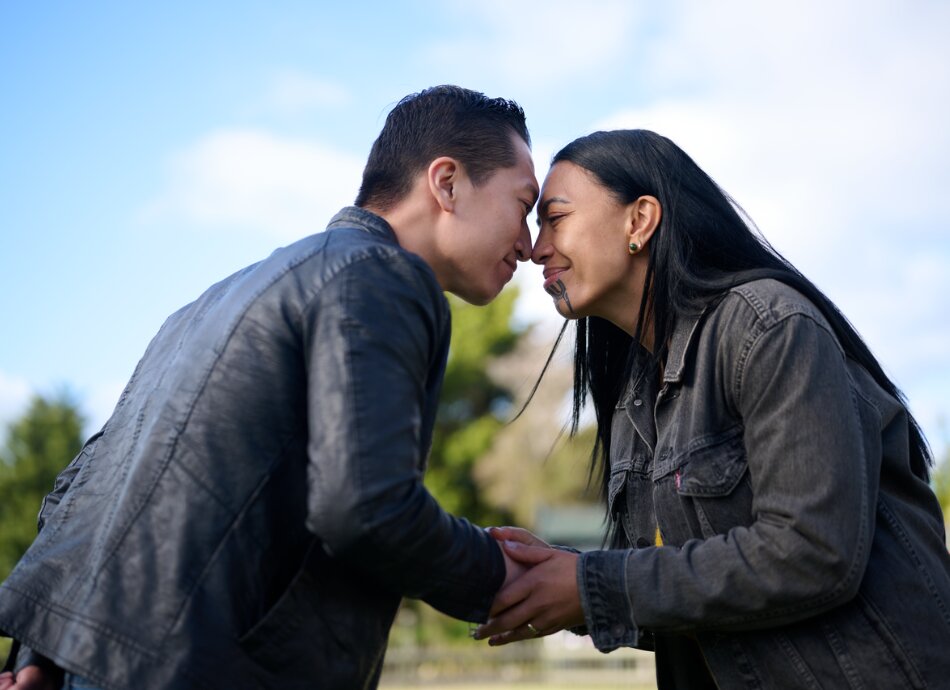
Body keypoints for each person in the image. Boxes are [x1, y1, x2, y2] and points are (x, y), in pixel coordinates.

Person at [0, 84, 540, 690]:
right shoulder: (383, 273)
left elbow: (80, 493)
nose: (529, 244)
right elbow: (365, 508)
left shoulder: (206, 303)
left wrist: (38, 658)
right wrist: (500, 571)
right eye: (524, 205)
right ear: (446, 183)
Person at [474, 129, 950, 688]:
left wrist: (593, 583)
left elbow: (814, 553)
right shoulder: (635, 394)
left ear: (640, 220)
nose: (537, 249)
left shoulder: (767, 326)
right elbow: (689, 595)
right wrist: (564, 576)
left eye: (555, 218)